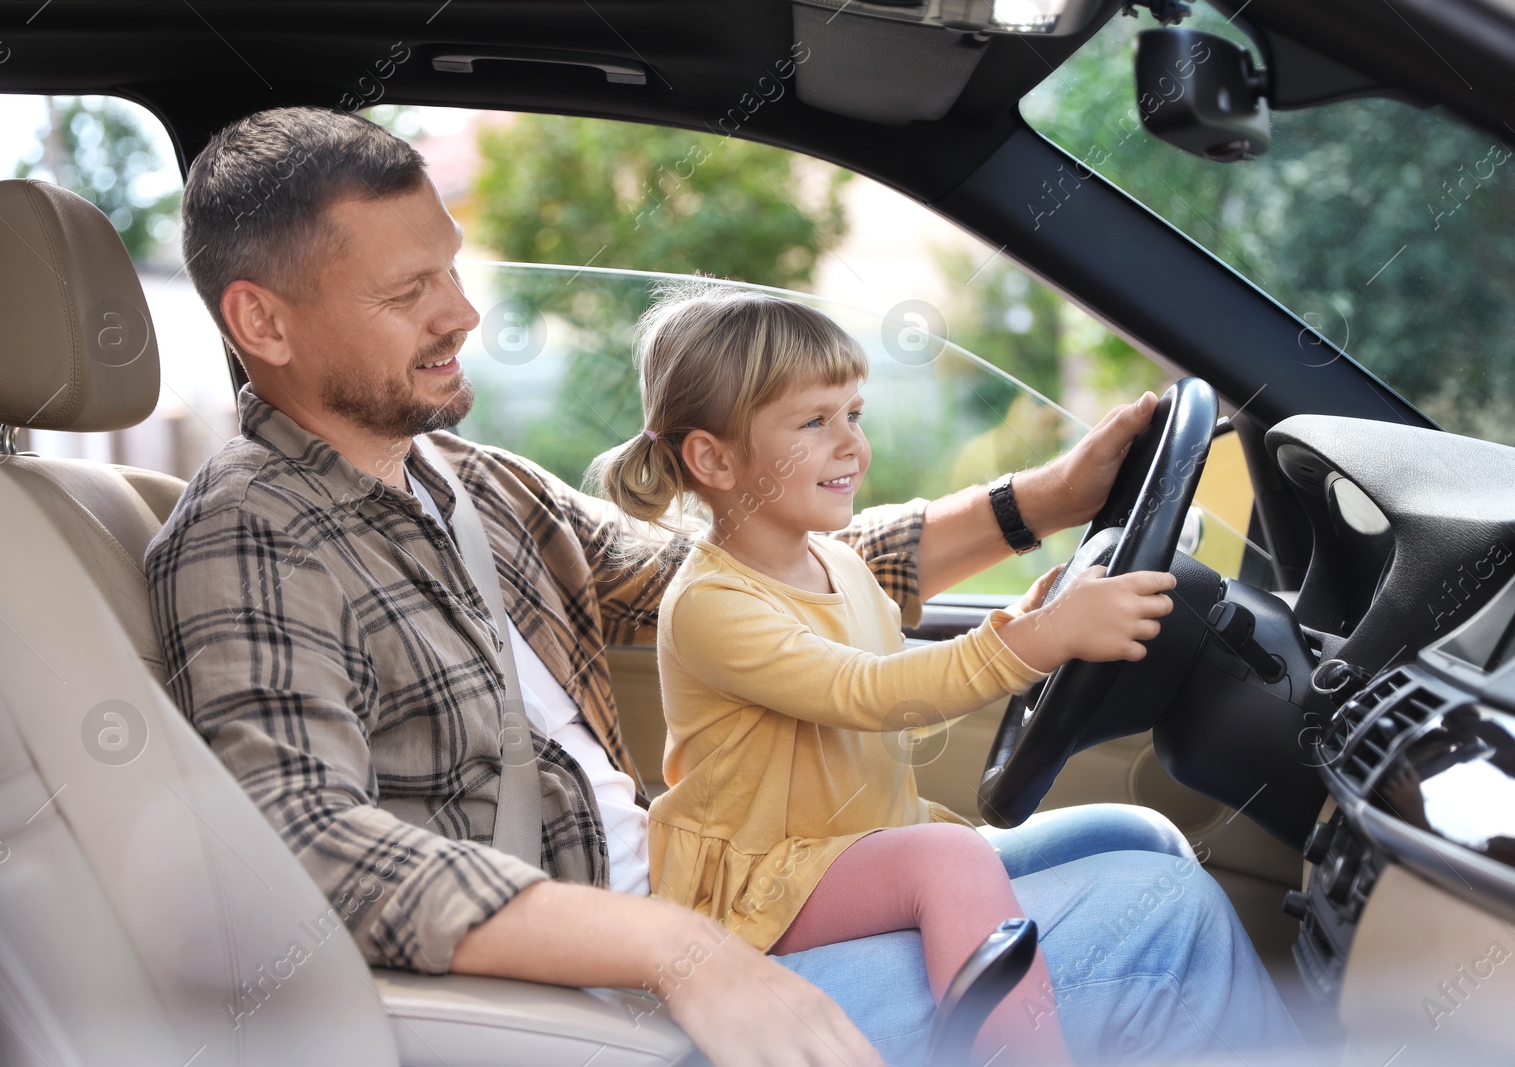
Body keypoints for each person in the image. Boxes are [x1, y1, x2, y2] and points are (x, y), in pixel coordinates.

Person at [148, 105, 1301, 1066]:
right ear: (263, 319)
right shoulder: (248, 534)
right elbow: (299, 841)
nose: (461, 314)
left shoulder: (470, 483)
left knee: (1142, 844)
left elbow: (741, 565)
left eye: (451, 270)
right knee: (1160, 921)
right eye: (410, 293)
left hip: (676, 905)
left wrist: (1036, 503)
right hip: (567, 1006)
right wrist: (681, 954)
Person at [591, 287, 1182, 1064]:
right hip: (760, 889)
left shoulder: (835, 561)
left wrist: (1024, 620)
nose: (852, 444)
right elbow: (867, 693)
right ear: (714, 458)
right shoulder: (712, 604)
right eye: (814, 421)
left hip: (846, 851)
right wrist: (1037, 641)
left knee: (1133, 834)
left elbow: (898, 678)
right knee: (950, 857)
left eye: (854, 414)